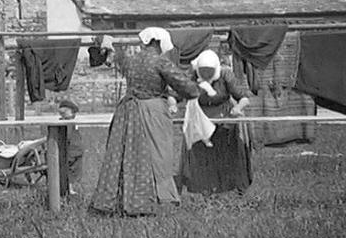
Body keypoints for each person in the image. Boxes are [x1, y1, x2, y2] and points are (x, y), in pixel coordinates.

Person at [90, 27, 199, 216]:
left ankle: (118, 200)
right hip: (152, 111)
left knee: (127, 155)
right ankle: (161, 199)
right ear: (158, 42)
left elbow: (114, 58)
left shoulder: (131, 60)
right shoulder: (160, 62)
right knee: (158, 155)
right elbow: (188, 89)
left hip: (127, 110)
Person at [181, 49, 254, 195]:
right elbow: (176, 94)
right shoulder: (192, 75)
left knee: (226, 154)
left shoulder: (225, 73)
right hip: (201, 122)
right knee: (203, 156)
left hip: (224, 120)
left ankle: (230, 188)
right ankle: (205, 188)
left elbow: (243, 97)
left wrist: (238, 108)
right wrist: (171, 104)